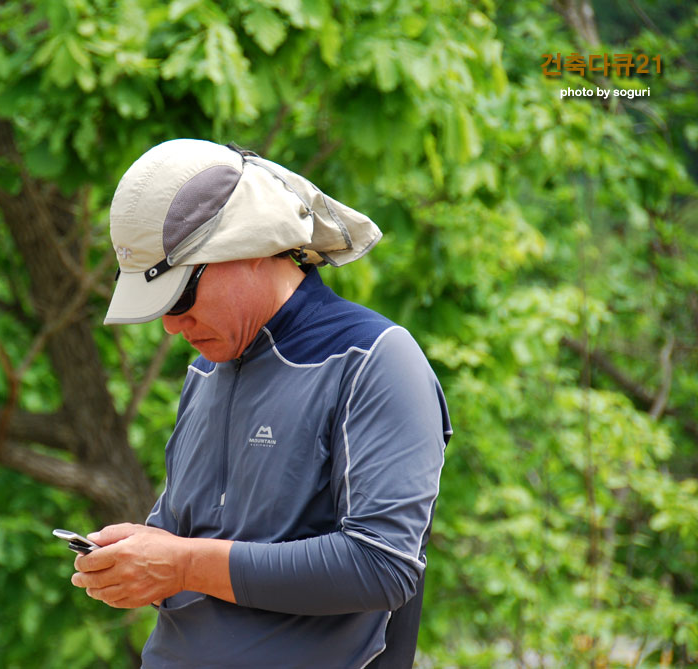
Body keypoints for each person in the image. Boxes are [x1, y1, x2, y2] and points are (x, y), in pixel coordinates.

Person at [71, 139, 452, 668]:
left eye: (179, 296)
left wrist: (181, 565)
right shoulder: (208, 368)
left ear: (250, 247)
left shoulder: (375, 359)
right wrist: (138, 560)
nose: (171, 324)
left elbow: (382, 565)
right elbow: (187, 536)